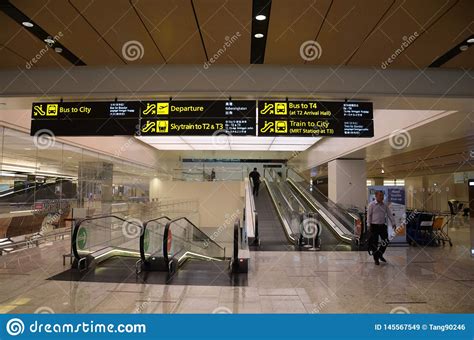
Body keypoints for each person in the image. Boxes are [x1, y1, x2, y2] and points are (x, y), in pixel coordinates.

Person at [367, 190, 396, 265]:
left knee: (386, 241)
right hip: (374, 226)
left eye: (382, 196)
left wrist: (393, 223)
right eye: (380, 195)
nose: (382, 197)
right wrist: (369, 225)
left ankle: (379, 254)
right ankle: (376, 258)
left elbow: (389, 214)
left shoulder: (385, 205)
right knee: (374, 243)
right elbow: (369, 216)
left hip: (382, 226)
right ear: (376, 196)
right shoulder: (371, 205)